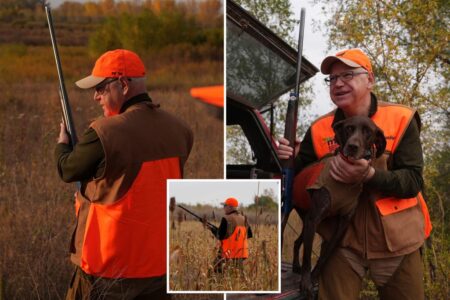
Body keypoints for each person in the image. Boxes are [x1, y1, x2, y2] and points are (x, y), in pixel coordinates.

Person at [278, 48, 431, 299]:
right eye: (332, 79)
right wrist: (287, 158)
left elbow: (413, 181)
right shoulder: (318, 129)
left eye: (347, 75)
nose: (338, 83)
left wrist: (369, 176)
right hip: (341, 244)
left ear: (369, 79)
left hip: (398, 243)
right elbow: (299, 178)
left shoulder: (401, 118)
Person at [55, 49, 193, 300]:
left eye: (101, 88)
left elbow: (67, 169)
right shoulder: (181, 129)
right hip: (159, 267)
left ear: (123, 84)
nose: (96, 97)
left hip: (109, 270)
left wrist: (63, 144)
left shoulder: (104, 132)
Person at [210, 197, 253, 273]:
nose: (224, 208)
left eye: (225, 206)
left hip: (228, 253)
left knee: (214, 273)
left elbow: (220, 236)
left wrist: (212, 229)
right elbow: (249, 235)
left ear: (230, 207)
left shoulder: (226, 218)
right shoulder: (243, 218)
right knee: (237, 275)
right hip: (242, 254)